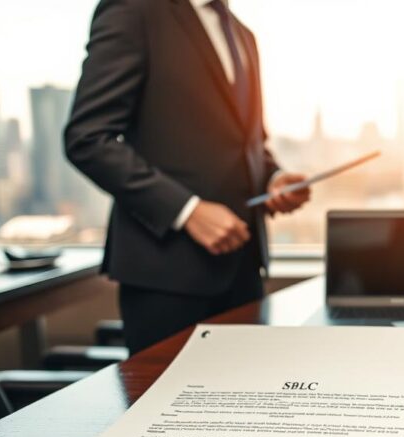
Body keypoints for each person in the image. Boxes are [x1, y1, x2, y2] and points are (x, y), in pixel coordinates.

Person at [65, 0, 309, 354]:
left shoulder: (243, 34)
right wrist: (187, 210)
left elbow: (247, 141)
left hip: (244, 270)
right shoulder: (135, 10)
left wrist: (273, 179)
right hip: (166, 275)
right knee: (164, 404)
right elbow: (87, 138)